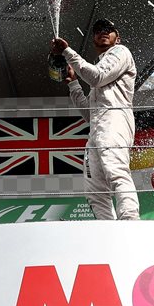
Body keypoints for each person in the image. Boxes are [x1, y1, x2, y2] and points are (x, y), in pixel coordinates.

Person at [51, 18, 139, 220]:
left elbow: (97, 77)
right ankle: (106, 228)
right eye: (98, 30)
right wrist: (73, 84)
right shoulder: (99, 65)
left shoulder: (121, 52)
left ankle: (130, 220)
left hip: (116, 120)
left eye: (109, 29)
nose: (103, 32)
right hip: (98, 128)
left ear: (118, 38)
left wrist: (67, 51)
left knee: (116, 171)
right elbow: (90, 115)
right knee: (94, 189)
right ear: (93, 40)